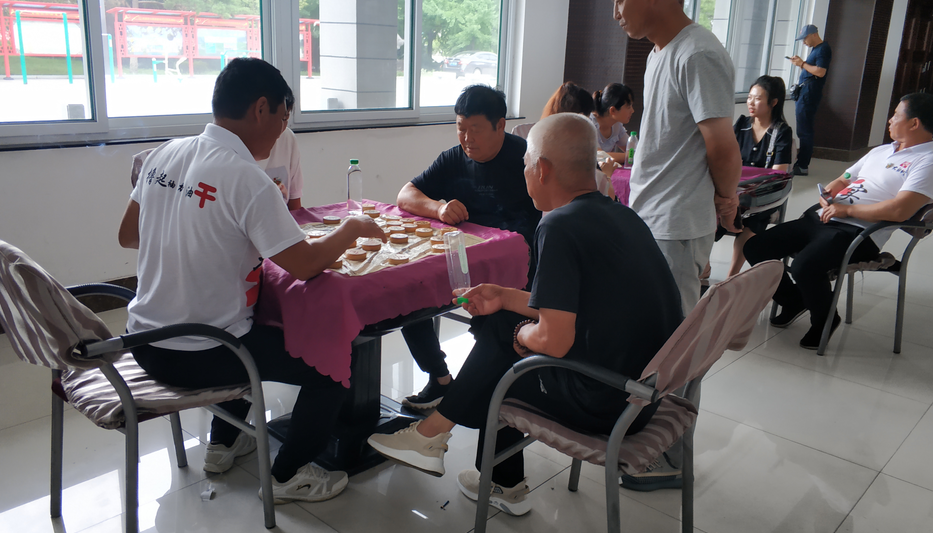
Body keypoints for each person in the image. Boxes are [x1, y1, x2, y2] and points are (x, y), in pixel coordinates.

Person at [367, 113, 683, 516]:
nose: (524, 172)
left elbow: (554, 340)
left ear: (543, 169)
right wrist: (503, 295)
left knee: (502, 350)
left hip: (606, 403)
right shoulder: (621, 214)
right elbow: (576, 305)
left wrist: (516, 335)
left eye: (526, 164)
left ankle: (441, 441)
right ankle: (467, 457)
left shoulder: (558, 225)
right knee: (499, 321)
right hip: (643, 396)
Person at [117, 58, 386, 504]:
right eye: (283, 119)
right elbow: (305, 265)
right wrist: (352, 227)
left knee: (254, 320)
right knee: (335, 365)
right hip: (201, 354)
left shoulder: (163, 154)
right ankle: (287, 474)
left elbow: (129, 236)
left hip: (142, 341)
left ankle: (223, 444)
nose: (282, 131)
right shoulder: (248, 180)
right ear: (261, 108)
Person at [612, 0, 742, 491]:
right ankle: (647, 438)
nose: (616, 11)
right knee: (651, 341)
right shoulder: (659, 53)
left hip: (677, 224)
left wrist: (726, 199)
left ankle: (671, 457)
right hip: (652, 218)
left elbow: (721, 145)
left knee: (676, 348)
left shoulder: (698, 53)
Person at [745, 92, 933, 349]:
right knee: (755, 248)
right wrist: (830, 191)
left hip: (859, 233)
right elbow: (845, 178)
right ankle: (794, 300)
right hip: (823, 217)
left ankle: (826, 319)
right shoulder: (881, 151)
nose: (890, 120)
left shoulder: (927, 160)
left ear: (914, 123)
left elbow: (900, 211)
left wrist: (847, 211)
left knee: (804, 266)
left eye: (896, 115)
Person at [395, 85, 541, 409]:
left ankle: (489, 398)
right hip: (463, 263)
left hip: (515, 270)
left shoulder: (526, 159)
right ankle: (440, 379)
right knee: (409, 292)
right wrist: (438, 208)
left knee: (494, 325)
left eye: (475, 129)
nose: (466, 139)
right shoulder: (454, 158)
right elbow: (405, 195)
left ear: (500, 125)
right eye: (461, 128)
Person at [723, 75, 794, 277]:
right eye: (749, 97)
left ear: (773, 102)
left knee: (752, 222)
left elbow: (778, 175)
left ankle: (731, 276)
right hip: (735, 190)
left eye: (757, 98)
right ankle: (704, 268)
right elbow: (726, 158)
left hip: (762, 195)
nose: (751, 103)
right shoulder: (741, 125)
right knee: (713, 212)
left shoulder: (781, 132)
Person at [789, 24, 831, 176]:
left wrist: (802, 63)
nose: (804, 42)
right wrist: (801, 65)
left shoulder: (823, 49)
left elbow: (820, 72)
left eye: (805, 38)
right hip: (806, 92)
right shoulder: (816, 49)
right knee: (803, 129)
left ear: (814, 34)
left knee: (805, 130)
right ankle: (801, 162)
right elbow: (812, 71)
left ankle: (802, 165)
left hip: (809, 94)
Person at [258, 127, 303, 210]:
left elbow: (294, 203)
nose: (283, 125)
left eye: (285, 120)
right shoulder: (234, 154)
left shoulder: (287, 137)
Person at [590, 82, 635, 163]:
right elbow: (599, 156)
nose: (632, 111)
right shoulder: (589, 124)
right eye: (628, 107)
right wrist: (630, 156)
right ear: (613, 110)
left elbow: (633, 149)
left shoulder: (616, 125)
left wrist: (633, 154)